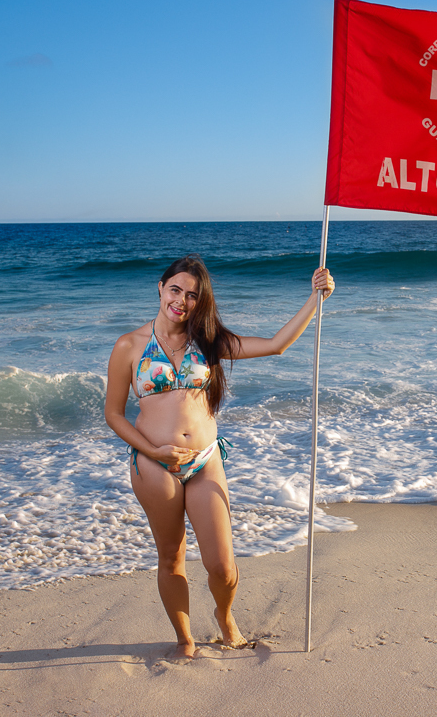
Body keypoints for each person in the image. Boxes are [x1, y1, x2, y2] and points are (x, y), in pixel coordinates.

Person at [105, 255, 335, 659]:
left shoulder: (208, 341)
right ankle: (184, 639)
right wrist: (152, 449)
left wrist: (316, 299)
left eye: (192, 295)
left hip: (204, 459)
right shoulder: (129, 346)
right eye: (175, 289)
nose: (181, 301)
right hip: (153, 461)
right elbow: (112, 413)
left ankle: (225, 617)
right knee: (171, 556)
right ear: (160, 288)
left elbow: (276, 345)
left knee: (223, 568)